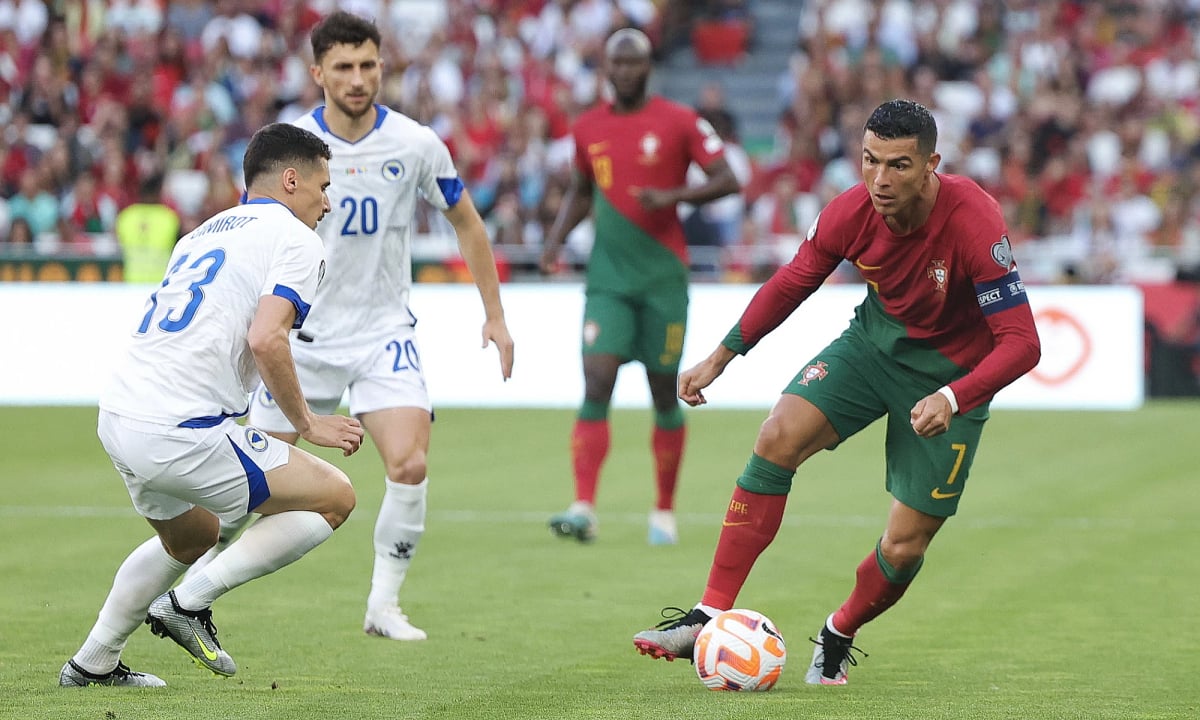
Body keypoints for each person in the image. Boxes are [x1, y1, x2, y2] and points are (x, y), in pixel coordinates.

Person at [631, 99, 1041, 684]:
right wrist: (722, 355)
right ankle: (708, 612)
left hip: (951, 379)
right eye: (870, 161)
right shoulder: (850, 210)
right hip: (872, 349)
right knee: (776, 437)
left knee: (903, 548)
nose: (879, 179)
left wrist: (953, 398)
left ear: (932, 165)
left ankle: (838, 632)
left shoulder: (975, 219)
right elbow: (793, 281)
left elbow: (1023, 343)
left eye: (898, 165)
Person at [199, 11, 512, 643]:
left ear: (381, 66)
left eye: (368, 64)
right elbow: (248, 236)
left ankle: (383, 606)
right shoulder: (289, 150)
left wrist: (496, 315)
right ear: (317, 73)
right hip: (301, 342)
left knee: (411, 463)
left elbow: (468, 223)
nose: (358, 78)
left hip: (382, 335)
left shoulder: (416, 144)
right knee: (239, 494)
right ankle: (187, 592)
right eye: (342, 67)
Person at [60, 122, 365, 688]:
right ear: (291, 180)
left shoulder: (201, 233)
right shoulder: (297, 240)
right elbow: (267, 338)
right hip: (182, 427)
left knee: (191, 537)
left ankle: (92, 661)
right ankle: (188, 602)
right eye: (323, 186)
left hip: (120, 414)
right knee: (335, 499)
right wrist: (308, 422)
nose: (327, 202)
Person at [539, 28, 740, 546]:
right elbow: (583, 192)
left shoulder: (679, 121)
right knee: (597, 381)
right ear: (606, 69)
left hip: (662, 281)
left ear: (649, 67)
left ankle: (664, 512)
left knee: (662, 393)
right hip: (608, 279)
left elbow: (728, 179)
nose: (626, 71)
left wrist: (673, 194)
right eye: (617, 64)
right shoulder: (587, 128)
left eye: (635, 63)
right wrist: (555, 241)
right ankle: (583, 506)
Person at [114, 173, 181, 283]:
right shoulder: (169, 217)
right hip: (160, 283)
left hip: (131, 281)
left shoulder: (125, 217)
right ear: (158, 193)